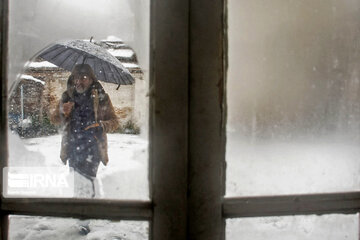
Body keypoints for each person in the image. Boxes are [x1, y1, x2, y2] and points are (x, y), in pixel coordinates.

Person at [51, 64, 119, 198]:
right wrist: (62, 111)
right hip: (72, 148)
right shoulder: (67, 97)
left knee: (88, 184)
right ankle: (81, 213)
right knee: (77, 186)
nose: (79, 81)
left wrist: (100, 125)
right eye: (76, 78)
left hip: (92, 148)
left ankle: (87, 212)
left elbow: (114, 122)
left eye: (84, 77)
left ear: (91, 80)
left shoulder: (102, 97)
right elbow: (54, 119)